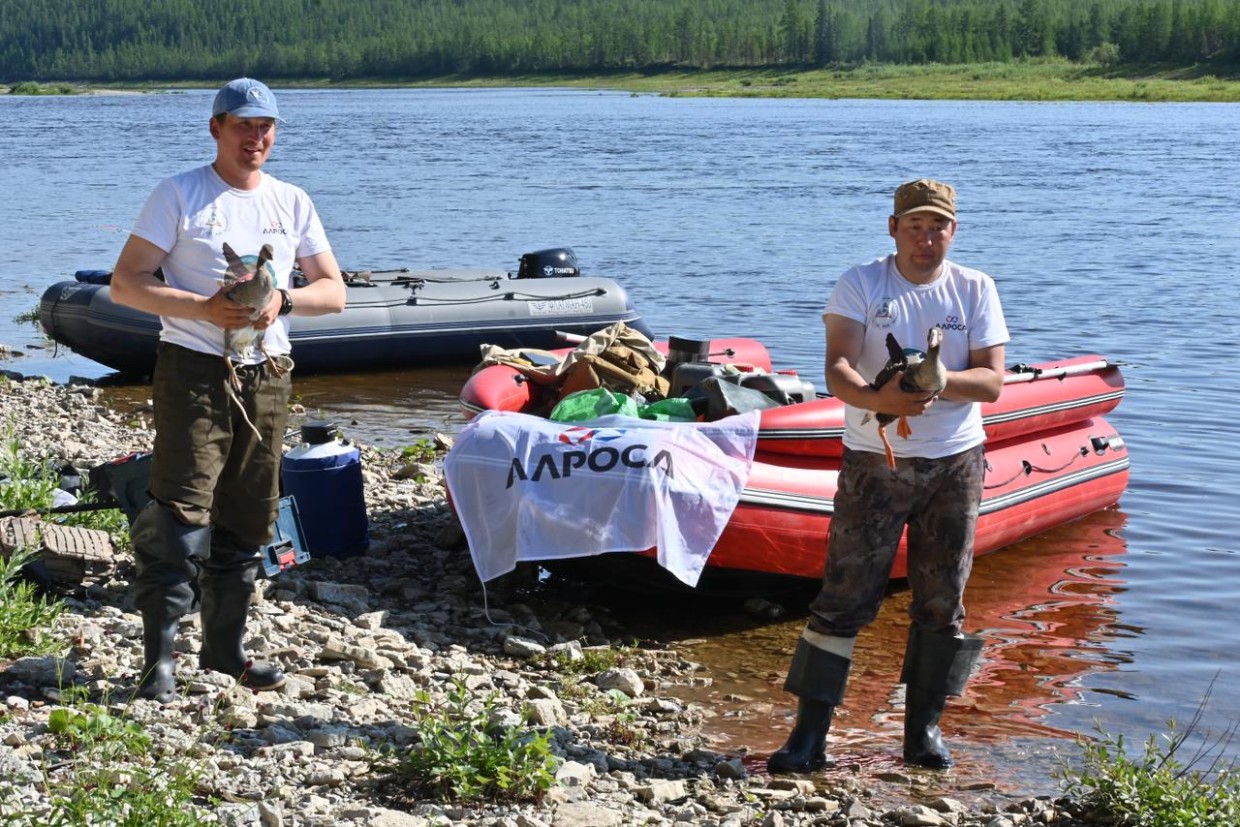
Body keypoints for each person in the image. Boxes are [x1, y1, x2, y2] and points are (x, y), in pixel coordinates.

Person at [110, 78, 346, 703]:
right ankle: (158, 662)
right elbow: (126, 283)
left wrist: (284, 300)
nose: (255, 137)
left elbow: (333, 292)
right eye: (243, 125)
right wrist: (202, 308)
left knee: (249, 512)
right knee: (181, 507)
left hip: (268, 373)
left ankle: (223, 650)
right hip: (193, 368)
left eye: (265, 127)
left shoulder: (292, 201)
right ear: (216, 128)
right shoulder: (179, 193)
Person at [768, 179, 1009, 772]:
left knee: (943, 601)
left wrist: (937, 382)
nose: (926, 239)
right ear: (894, 229)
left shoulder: (975, 287)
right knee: (844, 595)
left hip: (955, 463)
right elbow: (838, 368)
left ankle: (923, 732)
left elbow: (992, 382)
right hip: (874, 461)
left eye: (937, 227)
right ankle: (808, 736)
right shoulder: (861, 283)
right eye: (915, 227)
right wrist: (882, 400)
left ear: (953, 231)